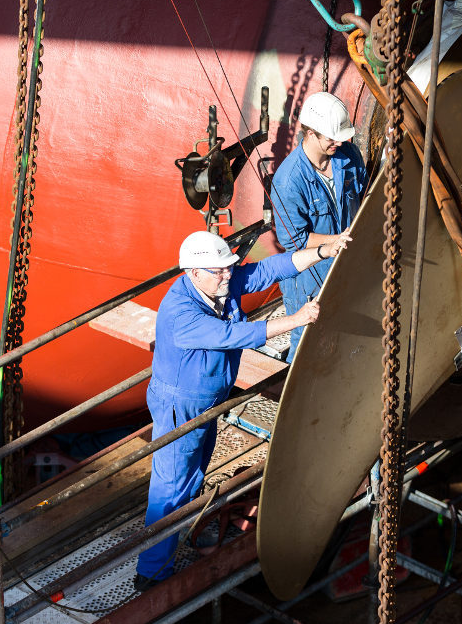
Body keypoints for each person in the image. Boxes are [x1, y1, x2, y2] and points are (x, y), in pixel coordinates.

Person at [134, 229, 349, 590]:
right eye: (218, 271)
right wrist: (296, 320)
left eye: (228, 268)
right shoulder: (182, 312)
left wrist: (324, 251)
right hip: (180, 407)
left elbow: (269, 270)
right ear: (193, 273)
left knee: (190, 478)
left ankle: (175, 540)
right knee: (170, 489)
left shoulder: (217, 284)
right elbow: (234, 336)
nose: (228, 275)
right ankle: (152, 575)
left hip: (205, 402)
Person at [271, 91, 367, 361]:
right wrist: (334, 241)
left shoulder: (346, 156)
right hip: (309, 280)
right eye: (331, 138)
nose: (338, 142)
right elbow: (294, 241)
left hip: (347, 267)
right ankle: (295, 399)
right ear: (310, 133)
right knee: (307, 348)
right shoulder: (289, 181)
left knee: (346, 335)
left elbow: (362, 191)